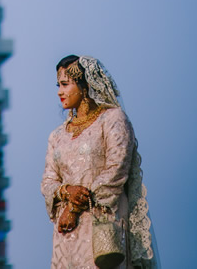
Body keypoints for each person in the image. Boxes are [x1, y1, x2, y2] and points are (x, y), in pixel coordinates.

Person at [41, 55, 158, 268]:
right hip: (65, 233)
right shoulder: (57, 136)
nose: (60, 91)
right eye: (58, 85)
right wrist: (66, 192)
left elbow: (117, 170)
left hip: (102, 225)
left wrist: (74, 208)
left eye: (65, 85)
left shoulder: (113, 119)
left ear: (84, 86)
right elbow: (48, 181)